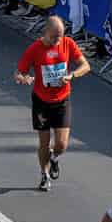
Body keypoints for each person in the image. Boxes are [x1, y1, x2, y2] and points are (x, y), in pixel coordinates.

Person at [15, 15, 89, 191]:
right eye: (54, 36)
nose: (58, 40)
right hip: (41, 100)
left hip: (62, 99)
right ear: (45, 32)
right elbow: (19, 72)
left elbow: (85, 66)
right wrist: (23, 78)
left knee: (61, 144)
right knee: (44, 143)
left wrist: (72, 75)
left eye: (60, 36)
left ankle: (54, 158)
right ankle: (44, 174)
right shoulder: (34, 49)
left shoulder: (68, 44)